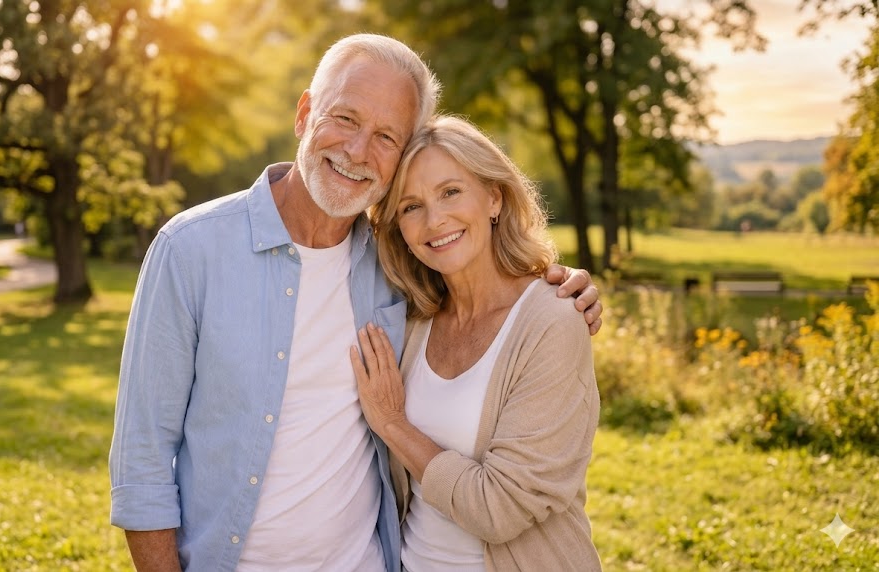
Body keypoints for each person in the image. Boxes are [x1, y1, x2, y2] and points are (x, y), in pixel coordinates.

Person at [109, 34, 602, 571]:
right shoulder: (190, 250)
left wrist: (563, 289)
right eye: (345, 118)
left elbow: (485, 284)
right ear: (304, 113)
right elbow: (143, 463)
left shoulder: (398, 267)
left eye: (387, 136)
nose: (358, 151)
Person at [351, 115, 602, 571]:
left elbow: (498, 507)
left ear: (493, 197)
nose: (435, 219)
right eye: (411, 206)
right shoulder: (410, 320)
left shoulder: (552, 321)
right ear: (400, 231)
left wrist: (392, 424)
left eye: (451, 192)